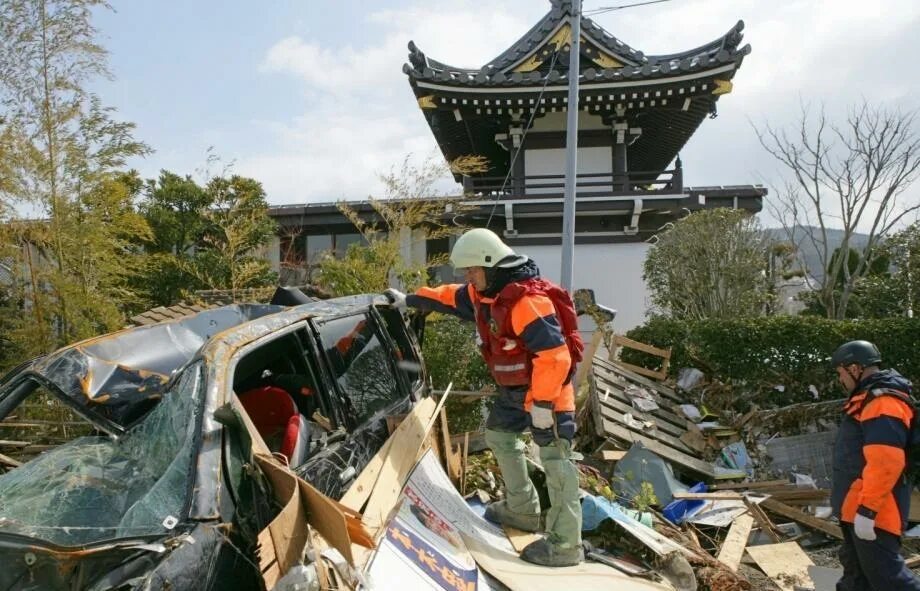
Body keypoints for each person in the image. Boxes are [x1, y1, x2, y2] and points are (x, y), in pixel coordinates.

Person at [386, 228, 584, 567]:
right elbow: (448, 296)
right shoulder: (485, 295)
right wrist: (410, 300)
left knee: (556, 462)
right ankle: (523, 511)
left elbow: (555, 357)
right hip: (514, 392)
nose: (468, 277)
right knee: (499, 435)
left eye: (472, 270)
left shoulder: (527, 303)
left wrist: (542, 404)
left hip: (548, 395)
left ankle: (566, 546)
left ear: (491, 265)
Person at [830, 340, 920, 590]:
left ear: (855, 368)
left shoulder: (883, 402)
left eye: (841, 373)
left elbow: (886, 461)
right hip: (856, 508)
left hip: (875, 512)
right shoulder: (867, 399)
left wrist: (867, 512)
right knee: (855, 581)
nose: (840, 380)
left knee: (890, 581)